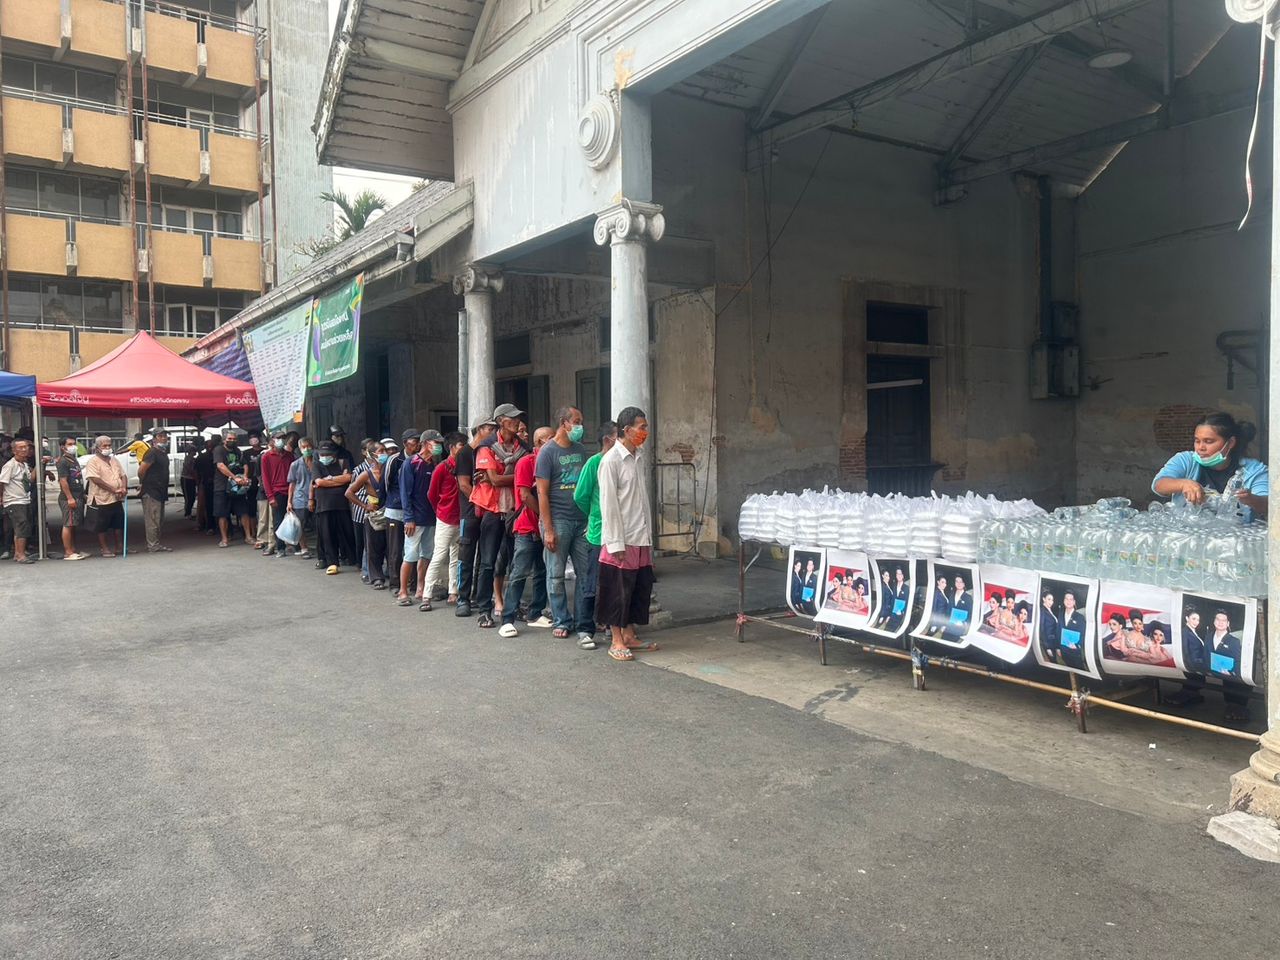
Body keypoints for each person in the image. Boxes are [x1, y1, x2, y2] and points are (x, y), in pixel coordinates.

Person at [596, 407, 660, 662]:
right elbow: (609, 505)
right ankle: (616, 640)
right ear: (626, 430)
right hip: (621, 538)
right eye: (641, 427)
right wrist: (615, 543)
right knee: (617, 591)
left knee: (637, 588)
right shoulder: (611, 461)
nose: (645, 432)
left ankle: (630, 634)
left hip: (640, 534)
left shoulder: (638, 457)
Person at [537, 406, 595, 646]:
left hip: (581, 520)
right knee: (556, 574)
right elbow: (542, 492)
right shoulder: (547, 453)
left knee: (585, 573)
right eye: (577, 421)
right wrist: (548, 529)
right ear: (564, 423)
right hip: (558, 520)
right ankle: (561, 620)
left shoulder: (581, 450)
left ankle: (583, 622)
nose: (580, 426)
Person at [1153, 412, 1268, 521]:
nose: (1200, 447)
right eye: (1197, 441)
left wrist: (1251, 499)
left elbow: (1269, 505)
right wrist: (1183, 484)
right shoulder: (1186, 460)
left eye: (1208, 441)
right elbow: (1158, 485)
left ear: (1231, 443)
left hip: (1236, 533)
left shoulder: (1254, 470)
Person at [497, 427, 554, 637]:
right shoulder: (526, 462)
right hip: (527, 527)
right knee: (519, 572)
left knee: (541, 571)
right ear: (539, 442)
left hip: (545, 527)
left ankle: (535, 613)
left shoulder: (553, 462)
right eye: (550, 439)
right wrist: (544, 518)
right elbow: (524, 495)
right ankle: (507, 618)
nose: (554, 442)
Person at [470, 404, 523, 628]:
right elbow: (494, 480)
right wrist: (516, 477)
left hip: (514, 510)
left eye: (518, 418)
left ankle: (512, 607)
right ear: (501, 421)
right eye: (512, 419)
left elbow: (505, 478)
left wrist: (502, 478)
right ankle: (484, 609)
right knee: (488, 562)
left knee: (516, 563)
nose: (517, 422)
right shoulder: (486, 447)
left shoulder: (522, 447)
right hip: (493, 510)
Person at [453, 417, 496, 617]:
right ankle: (463, 598)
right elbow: (463, 484)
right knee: (466, 556)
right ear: (479, 429)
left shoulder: (490, 451)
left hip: (488, 511)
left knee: (485, 557)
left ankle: (480, 595)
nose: (493, 432)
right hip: (471, 511)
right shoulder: (465, 453)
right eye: (490, 428)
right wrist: (479, 501)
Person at [399, 431, 441, 608]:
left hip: (430, 517)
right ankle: (403, 591)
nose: (438, 446)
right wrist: (408, 518)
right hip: (414, 519)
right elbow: (405, 493)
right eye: (435, 442)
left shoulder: (434, 463)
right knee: (410, 555)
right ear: (425, 443)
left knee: (427, 555)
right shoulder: (411, 463)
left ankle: (421, 587)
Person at [425, 431, 466, 609]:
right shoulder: (442, 468)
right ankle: (426, 594)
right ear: (451, 448)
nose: (464, 449)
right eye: (461, 446)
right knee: (439, 556)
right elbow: (432, 494)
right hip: (446, 517)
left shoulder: (464, 466)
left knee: (456, 557)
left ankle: (453, 591)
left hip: (460, 517)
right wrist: (440, 511)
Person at [347, 440, 388, 588]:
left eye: (385, 450)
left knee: (391, 546)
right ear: (372, 455)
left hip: (389, 511)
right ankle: (376, 577)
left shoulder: (389, 470)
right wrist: (365, 506)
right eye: (381, 451)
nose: (384, 454)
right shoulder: (366, 474)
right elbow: (349, 492)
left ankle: (391, 574)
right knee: (373, 547)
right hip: (375, 514)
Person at [384, 429, 419, 596]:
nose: (417, 445)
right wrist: (394, 499)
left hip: (414, 510)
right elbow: (385, 482)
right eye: (414, 442)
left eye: (419, 442)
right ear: (405, 443)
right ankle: (395, 583)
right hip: (396, 509)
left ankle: (413, 583)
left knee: (413, 550)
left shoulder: (420, 460)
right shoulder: (395, 460)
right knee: (395, 550)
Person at [312, 440, 355, 574]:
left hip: (342, 503)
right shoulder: (317, 464)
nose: (325, 457)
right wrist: (338, 480)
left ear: (334, 454)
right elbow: (319, 482)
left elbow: (348, 478)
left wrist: (328, 479)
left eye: (327, 454)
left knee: (347, 532)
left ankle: (352, 558)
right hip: (324, 504)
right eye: (322, 454)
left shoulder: (343, 462)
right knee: (327, 534)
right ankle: (332, 561)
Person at [83, 435, 127, 557]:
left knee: (118, 524)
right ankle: (105, 549)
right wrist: (113, 489)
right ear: (97, 448)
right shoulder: (93, 462)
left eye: (109, 445)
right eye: (104, 446)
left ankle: (120, 547)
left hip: (116, 498)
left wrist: (123, 487)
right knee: (101, 526)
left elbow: (123, 475)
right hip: (100, 498)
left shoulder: (114, 460)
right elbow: (95, 479)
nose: (107, 448)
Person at [212, 430, 254, 548]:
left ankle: (248, 537)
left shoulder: (237, 451)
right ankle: (224, 539)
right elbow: (220, 465)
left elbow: (245, 464)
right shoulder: (219, 450)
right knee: (222, 514)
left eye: (234, 439)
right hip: (222, 487)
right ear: (224, 440)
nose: (232, 441)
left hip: (238, 488)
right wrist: (234, 477)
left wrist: (245, 476)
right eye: (229, 439)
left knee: (243, 511)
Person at [260, 429, 295, 558]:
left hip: (290, 490)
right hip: (277, 492)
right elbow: (265, 478)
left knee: (293, 519)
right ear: (272, 440)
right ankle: (281, 547)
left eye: (283, 438)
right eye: (278, 438)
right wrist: (270, 497)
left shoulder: (289, 455)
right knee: (278, 521)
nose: (281, 441)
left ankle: (294, 544)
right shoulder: (266, 457)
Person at [137, 426, 172, 553]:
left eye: (165, 436)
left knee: (158, 520)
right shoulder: (151, 452)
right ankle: (153, 545)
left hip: (160, 490)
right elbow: (141, 470)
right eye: (160, 436)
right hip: (151, 490)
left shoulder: (162, 453)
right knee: (152, 520)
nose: (164, 438)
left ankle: (156, 543)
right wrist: (143, 483)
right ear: (154, 439)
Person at [0, 438, 35, 563]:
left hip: (24, 500)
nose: (24, 449)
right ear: (14, 450)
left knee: (21, 527)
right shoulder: (10, 465)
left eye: (26, 447)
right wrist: (1, 497)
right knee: (21, 527)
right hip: (14, 501)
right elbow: (2, 482)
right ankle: (21, 555)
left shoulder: (24, 465)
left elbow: (30, 480)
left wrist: (40, 465)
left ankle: (17, 553)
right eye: (21, 447)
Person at [55, 435, 87, 560]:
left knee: (73, 524)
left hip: (78, 495)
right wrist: (69, 498)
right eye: (69, 444)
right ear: (62, 447)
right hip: (68, 497)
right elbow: (63, 481)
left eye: (74, 444)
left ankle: (73, 550)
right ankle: (68, 552)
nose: (73, 446)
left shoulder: (73, 460)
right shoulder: (63, 461)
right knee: (68, 524)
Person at [285, 437, 315, 559]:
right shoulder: (295, 464)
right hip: (300, 498)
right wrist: (289, 502)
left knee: (320, 524)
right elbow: (291, 484)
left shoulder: (318, 462)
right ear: (300, 449)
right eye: (304, 447)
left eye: (308, 446)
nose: (306, 449)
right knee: (300, 525)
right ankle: (304, 548)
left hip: (317, 497)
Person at [1058, 589, 1087, 670]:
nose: (1068, 601)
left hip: (1074, 652)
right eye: (1066, 599)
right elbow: (1058, 631)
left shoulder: (1080, 617)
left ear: (1074, 602)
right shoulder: (1060, 614)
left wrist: (1077, 645)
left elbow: (1083, 634)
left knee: (1079, 671)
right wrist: (1057, 647)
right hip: (1063, 650)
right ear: (1064, 601)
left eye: (1071, 599)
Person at [195, 437, 216, 533]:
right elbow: (196, 471)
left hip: (209, 483)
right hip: (207, 483)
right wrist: (199, 483)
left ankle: (208, 525)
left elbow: (196, 471)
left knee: (208, 506)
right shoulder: (202, 457)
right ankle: (208, 525)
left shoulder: (202, 457)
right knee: (207, 506)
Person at [943, 575, 972, 642]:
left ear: (964, 584)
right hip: (949, 625)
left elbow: (970, 614)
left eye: (961, 582)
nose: (959, 584)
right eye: (957, 581)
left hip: (959, 627)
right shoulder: (951, 594)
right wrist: (944, 624)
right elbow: (948, 610)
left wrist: (964, 623)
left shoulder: (968, 598)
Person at [1038, 589, 1061, 664]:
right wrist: (1047, 647)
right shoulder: (1042, 611)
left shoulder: (1050, 610)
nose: (1051, 602)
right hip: (1048, 643)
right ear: (1043, 599)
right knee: (1053, 662)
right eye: (1049, 599)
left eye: (1052, 600)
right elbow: (1041, 629)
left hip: (1054, 641)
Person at [179, 438, 198, 518]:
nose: (195, 452)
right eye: (193, 450)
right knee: (188, 497)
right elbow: (189, 469)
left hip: (191, 479)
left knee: (192, 496)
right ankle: (187, 513)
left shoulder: (193, 459)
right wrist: (195, 476)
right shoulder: (188, 458)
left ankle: (188, 512)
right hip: (186, 479)